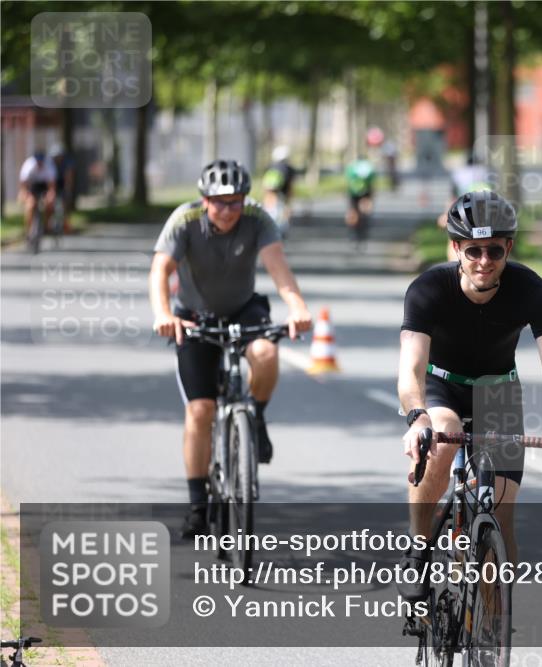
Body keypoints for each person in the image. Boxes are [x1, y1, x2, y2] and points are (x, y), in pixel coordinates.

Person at [397, 190, 542, 600]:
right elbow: (411, 368)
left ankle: (491, 633)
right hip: (441, 383)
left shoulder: (533, 291)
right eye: (474, 250)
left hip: (497, 391)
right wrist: (418, 418)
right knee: (443, 436)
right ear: (456, 248)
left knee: (502, 518)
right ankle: (417, 549)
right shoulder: (428, 289)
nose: (484, 261)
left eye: (495, 251)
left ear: (509, 248)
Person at [148, 160, 313, 538]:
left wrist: (298, 308)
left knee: (267, 354)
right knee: (200, 409)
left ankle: (255, 417)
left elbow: (278, 268)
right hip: (193, 316)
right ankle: (197, 507)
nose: (227, 210)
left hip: (244, 307)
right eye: (219, 203)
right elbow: (160, 270)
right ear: (204, 200)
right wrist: (162, 314)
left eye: (235, 202)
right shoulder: (184, 220)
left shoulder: (258, 219)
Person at [18, 149, 56, 239]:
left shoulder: (49, 165)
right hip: (32, 186)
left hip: (44, 186)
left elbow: (51, 186)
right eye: (38, 161)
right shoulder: (29, 165)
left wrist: (50, 195)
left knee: (49, 205)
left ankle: (47, 225)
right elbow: (23, 183)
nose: (39, 163)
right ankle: (28, 231)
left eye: (41, 161)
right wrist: (24, 193)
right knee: (30, 206)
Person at [262, 145, 296, 236]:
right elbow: (290, 186)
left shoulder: (269, 167)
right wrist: (289, 202)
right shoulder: (289, 169)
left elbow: (265, 185)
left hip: (270, 196)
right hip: (282, 195)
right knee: (282, 216)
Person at [344, 156, 376, 248]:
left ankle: (352, 231)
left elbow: (348, 178)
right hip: (366, 192)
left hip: (353, 193)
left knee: (353, 212)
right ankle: (364, 227)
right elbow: (372, 180)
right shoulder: (368, 167)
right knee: (365, 212)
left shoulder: (352, 167)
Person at [49, 144, 75, 234]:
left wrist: (68, 190)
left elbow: (69, 177)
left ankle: (66, 224)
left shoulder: (67, 163)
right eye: (55, 157)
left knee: (64, 204)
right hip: (52, 183)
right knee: (49, 202)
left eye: (59, 156)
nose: (57, 159)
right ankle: (48, 224)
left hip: (62, 183)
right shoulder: (50, 163)